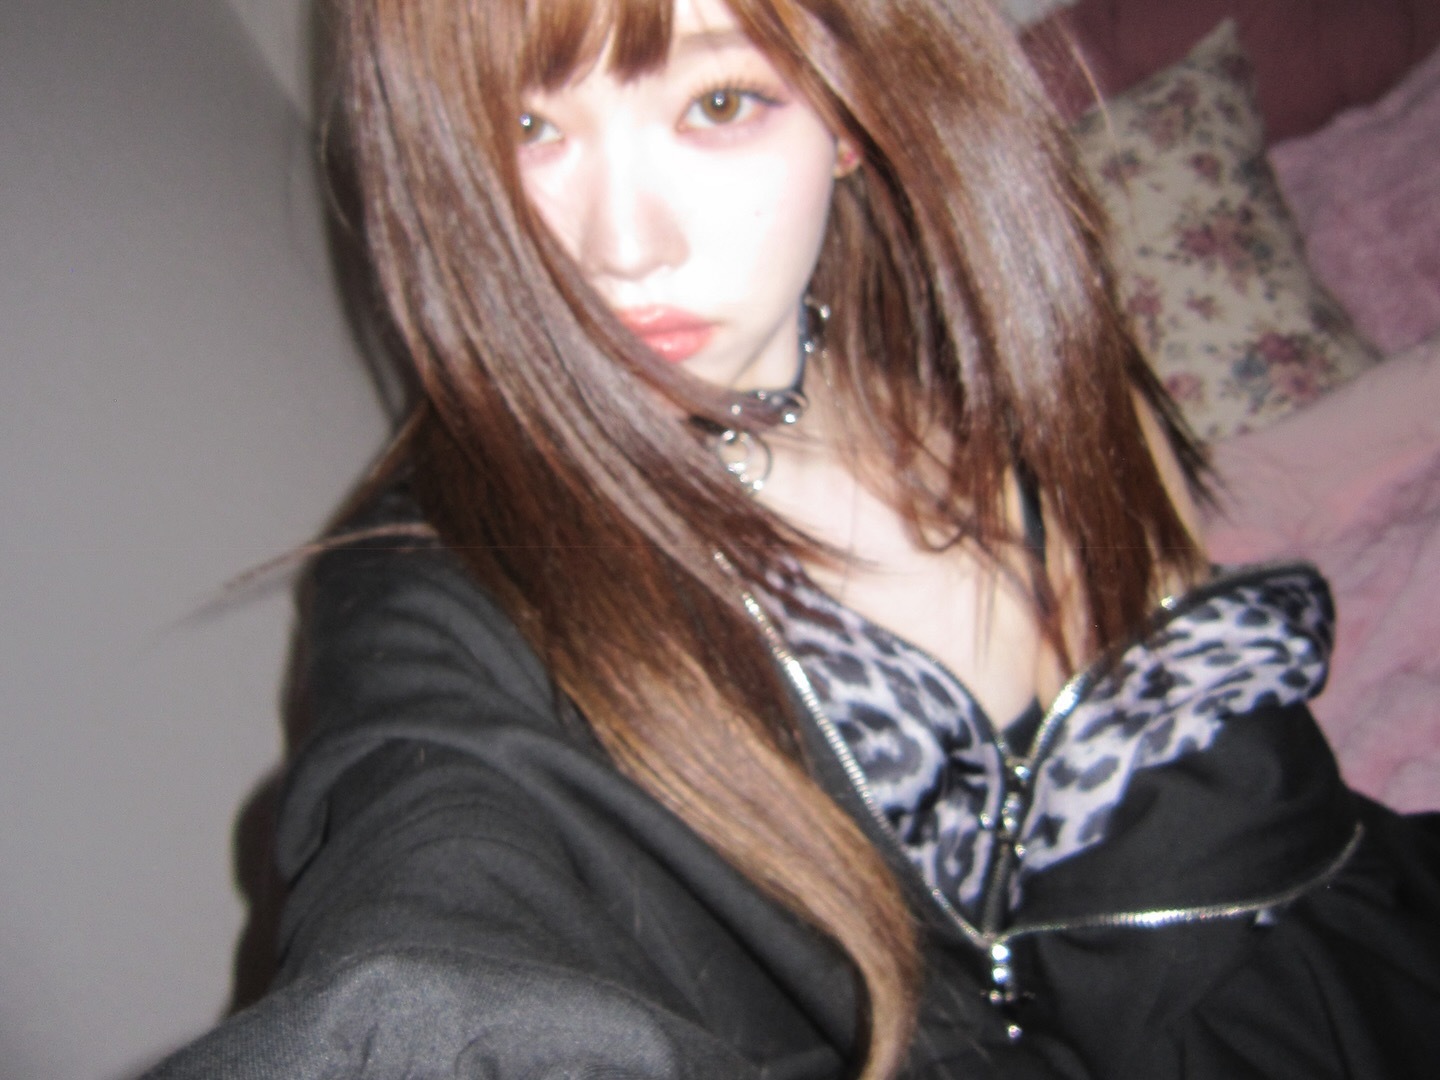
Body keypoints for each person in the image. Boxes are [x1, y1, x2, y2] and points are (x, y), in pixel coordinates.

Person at [146, 0, 1440, 1077]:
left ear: (850, 109)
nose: (622, 246)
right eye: (526, 127)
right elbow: (431, 906)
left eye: (718, 103)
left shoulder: (993, 346)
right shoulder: (450, 586)